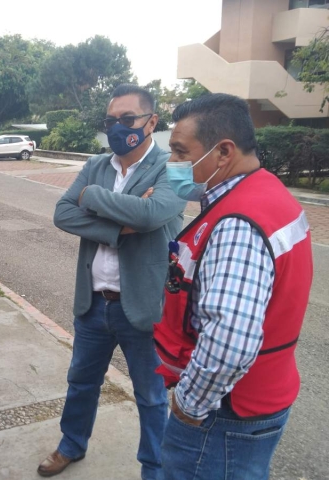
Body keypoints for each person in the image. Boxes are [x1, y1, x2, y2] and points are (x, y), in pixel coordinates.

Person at [155, 93, 313, 479]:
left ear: (223, 152)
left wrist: (189, 405)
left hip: (224, 416)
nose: (171, 164)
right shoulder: (267, 192)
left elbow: (230, 343)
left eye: (179, 152)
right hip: (259, 401)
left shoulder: (238, 223)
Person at [40, 84, 186, 479]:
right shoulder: (96, 165)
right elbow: (62, 215)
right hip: (94, 303)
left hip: (143, 306)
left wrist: (91, 197)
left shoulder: (175, 169)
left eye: (127, 120)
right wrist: (120, 226)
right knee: (81, 382)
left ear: (152, 122)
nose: (117, 128)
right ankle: (71, 445)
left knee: (151, 397)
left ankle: (155, 469)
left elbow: (154, 215)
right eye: (111, 121)